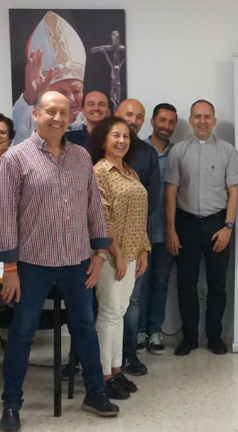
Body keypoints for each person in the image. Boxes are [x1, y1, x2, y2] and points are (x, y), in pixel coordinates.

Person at [0, 91, 119, 431]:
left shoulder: (81, 157)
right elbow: (5, 216)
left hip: (77, 261)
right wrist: (10, 268)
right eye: (50, 111)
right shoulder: (15, 159)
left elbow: (94, 208)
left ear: (71, 117)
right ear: (35, 115)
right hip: (32, 264)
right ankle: (11, 404)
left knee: (85, 327)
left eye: (64, 112)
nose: (57, 118)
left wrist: (100, 253)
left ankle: (95, 393)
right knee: (22, 331)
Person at [165, 99, 238, 356]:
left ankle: (214, 337)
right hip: (185, 224)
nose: (202, 121)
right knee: (186, 284)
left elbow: (234, 192)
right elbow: (171, 192)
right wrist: (171, 229)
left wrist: (228, 227)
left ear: (214, 120)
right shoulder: (178, 152)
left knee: (217, 285)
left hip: (217, 224)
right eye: (197, 116)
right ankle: (189, 338)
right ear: (190, 120)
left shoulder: (228, 152)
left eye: (207, 116)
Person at [87, 116, 150, 400]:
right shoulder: (99, 171)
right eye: (115, 135)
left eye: (126, 136)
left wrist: (144, 249)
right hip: (111, 257)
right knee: (109, 314)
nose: (121, 140)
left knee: (119, 313)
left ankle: (115, 369)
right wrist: (118, 256)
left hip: (133, 252)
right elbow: (103, 218)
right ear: (103, 140)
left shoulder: (130, 172)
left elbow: (140, 214)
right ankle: (102, 376)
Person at [114, 98, 161, 375]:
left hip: (135, 239)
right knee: (98, 303)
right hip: (102, 241)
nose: (133, 120)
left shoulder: (147, 153)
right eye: (128, 114)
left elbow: (152, 198)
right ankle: (92, 359)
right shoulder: (99, 149)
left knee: (131, 300)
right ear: (116, 114)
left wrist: (135, 232)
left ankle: (128, 354)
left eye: (139, 116)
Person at [136, 103, 179, 355]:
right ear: (152, 122)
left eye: (171, 122)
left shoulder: (178, 153)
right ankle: (139, 331)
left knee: (160, 282)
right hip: (138, 232)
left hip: (166, 231)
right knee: (139, 284)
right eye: (162, 120)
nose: (166, 126)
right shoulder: (136, 150)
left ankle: (155, 331)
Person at [12, 11, 87, 144]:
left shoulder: (92, 128)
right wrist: (30, 97)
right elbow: (19, 143)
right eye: (62, 92)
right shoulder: (31, 125)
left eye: (76, 91)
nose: (71, 99)